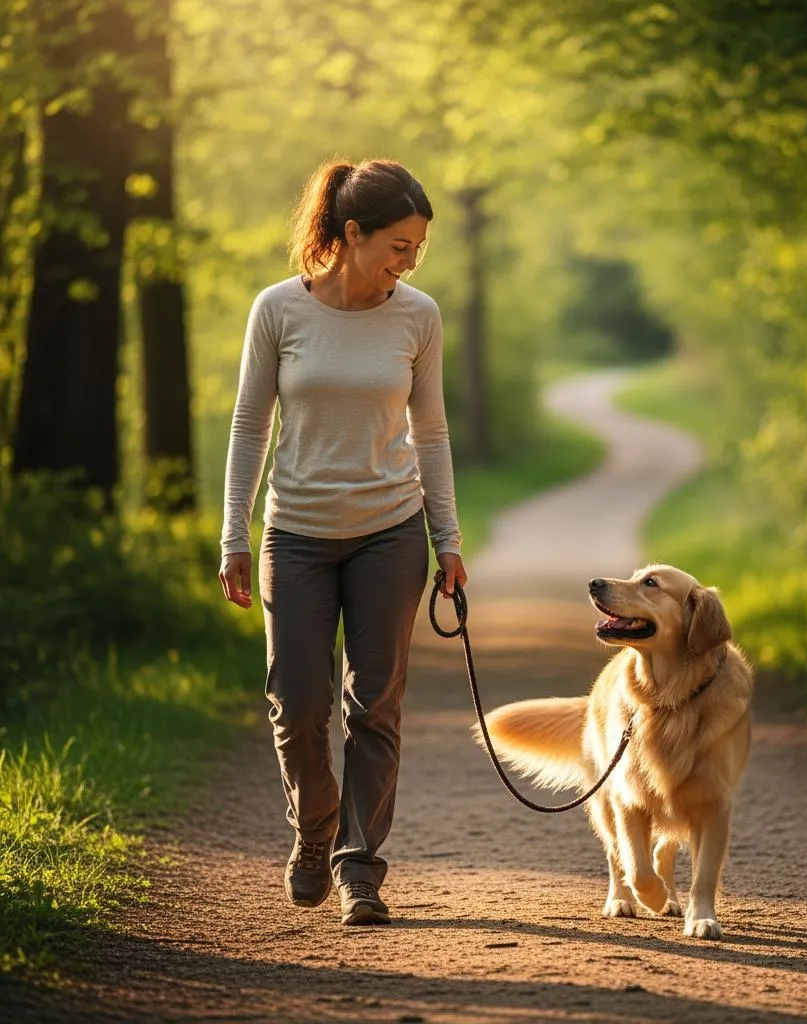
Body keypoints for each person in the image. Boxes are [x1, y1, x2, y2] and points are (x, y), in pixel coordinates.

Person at [217, 158, 467, 926]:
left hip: (389, 533)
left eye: (418, 248)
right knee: (297, 702)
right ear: (350, 234)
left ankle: (360, 866)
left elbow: (430, 430)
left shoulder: (418, 315)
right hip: (293, 532)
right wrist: (233, 534)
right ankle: (313, 829)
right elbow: (251, 424)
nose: (409, 261)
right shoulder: (279, 310)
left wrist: (446, 539)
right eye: (398, 244)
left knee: (376, 705)